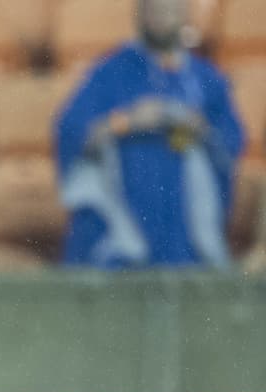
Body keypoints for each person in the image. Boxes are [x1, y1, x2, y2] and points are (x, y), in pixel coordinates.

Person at [54, 0, 244, 269]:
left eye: (172, 9)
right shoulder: (111, 72)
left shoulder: (205, 78)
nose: (164, 17)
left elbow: (230, 141)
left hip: (185, 233)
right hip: (124, 225)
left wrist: (199, 128)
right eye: (155, 9)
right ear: (140, 13)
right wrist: (128, 122)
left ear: (186, 14)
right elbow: (73, 132)